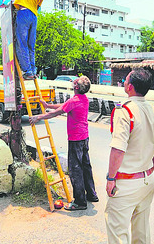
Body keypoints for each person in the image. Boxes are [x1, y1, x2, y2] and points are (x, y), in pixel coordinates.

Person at [105, 69, 154, 244]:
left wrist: (110, 178)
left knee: (118, 234)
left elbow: (118, 150)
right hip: (147, 181)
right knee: (142, 233)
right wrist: (147, 171)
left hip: (126, 184)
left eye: (125, 80)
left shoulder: (125, 112)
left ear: (129, 87)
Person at [29, 75, 98, 210]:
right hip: (84, 137)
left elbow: (57, 112)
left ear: (77, 87)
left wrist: (38, 117)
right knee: (85, 167)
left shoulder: (74, 101)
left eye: (75, 81)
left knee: (75, 170)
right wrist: (48, 105)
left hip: (76, 139)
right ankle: (91, 194)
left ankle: (79, 202)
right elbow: (64, 106)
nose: (73, 82)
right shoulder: (82, 99)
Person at [14, 0, 48, 80]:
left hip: (24, 14)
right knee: (30, 46)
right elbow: (38, 5)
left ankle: (28, 72)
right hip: (34, 17)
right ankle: (33, 71)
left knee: (21, 43)